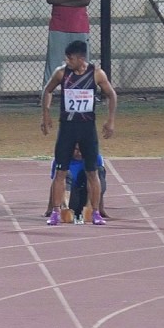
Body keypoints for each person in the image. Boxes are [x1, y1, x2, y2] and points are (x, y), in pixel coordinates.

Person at [42, 39, 116, 226]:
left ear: (81, 58)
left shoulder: (96, 74)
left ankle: (96, 212)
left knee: (93, 172)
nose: (67, 61)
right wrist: (46, 115)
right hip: (67, 128)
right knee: (61, 171)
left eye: (71, 58)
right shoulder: (61, 73)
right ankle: (56, 212)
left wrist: (110, 121)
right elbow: (47, 90)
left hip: (87, 128)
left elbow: (112, 94)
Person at [45, 0, 93, 85]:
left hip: (79, 27)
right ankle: (47, 92)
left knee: (82, 62)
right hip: (58, 27)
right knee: (53, 62)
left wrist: (62, 0)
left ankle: (85, 90)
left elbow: (86, 1)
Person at [46, 145, 109, 222]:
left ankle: (91, 209)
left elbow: (98, 185)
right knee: (63, 173)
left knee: (98, 171)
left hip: (87, 196)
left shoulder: (95, 157)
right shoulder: (60, 159)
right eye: (76, 150)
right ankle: (65, 209)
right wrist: (50, 208)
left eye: (82, 150)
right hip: (71, 197)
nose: (79, 153)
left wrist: (100, 208)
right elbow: (55, 185)